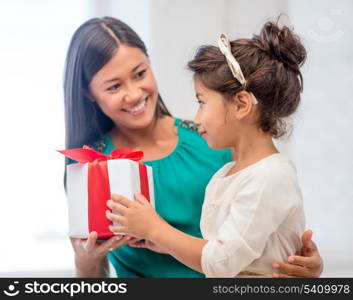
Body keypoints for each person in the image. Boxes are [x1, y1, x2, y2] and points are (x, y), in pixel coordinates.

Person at [64, 16, 323, 278]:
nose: (133, 94)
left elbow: (265, 228)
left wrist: (303, 263)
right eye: (114, 86)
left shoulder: (215, 139)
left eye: (140, 74)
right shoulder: (92, 169)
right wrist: (85, 262)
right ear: (89, 93)